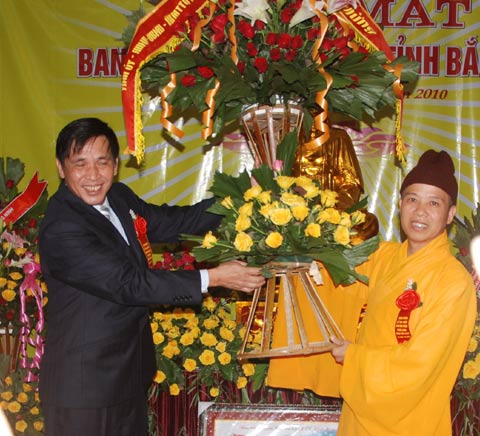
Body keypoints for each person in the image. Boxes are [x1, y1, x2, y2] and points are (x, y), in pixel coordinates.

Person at [38, 117, 266, 436]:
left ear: (116, 165)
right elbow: (128, 283)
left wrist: (243, 197)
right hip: (84, 389)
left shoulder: (118, 197)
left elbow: (173, 222)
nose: (93, 175)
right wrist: (213, 278)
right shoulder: (62, 226)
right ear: (61, 168)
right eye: (80, 164)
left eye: (102, 162)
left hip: (126, 377)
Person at [329, 149, 477, 435]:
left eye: (434, 203)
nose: (420, 211)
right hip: (358, 417)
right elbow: (332, 278)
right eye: (412, 199)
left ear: (450, 214)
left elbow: (421, 364)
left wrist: (354, 357)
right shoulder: (381, 256)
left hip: (413, 421)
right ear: (400, 205)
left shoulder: (454, 282)